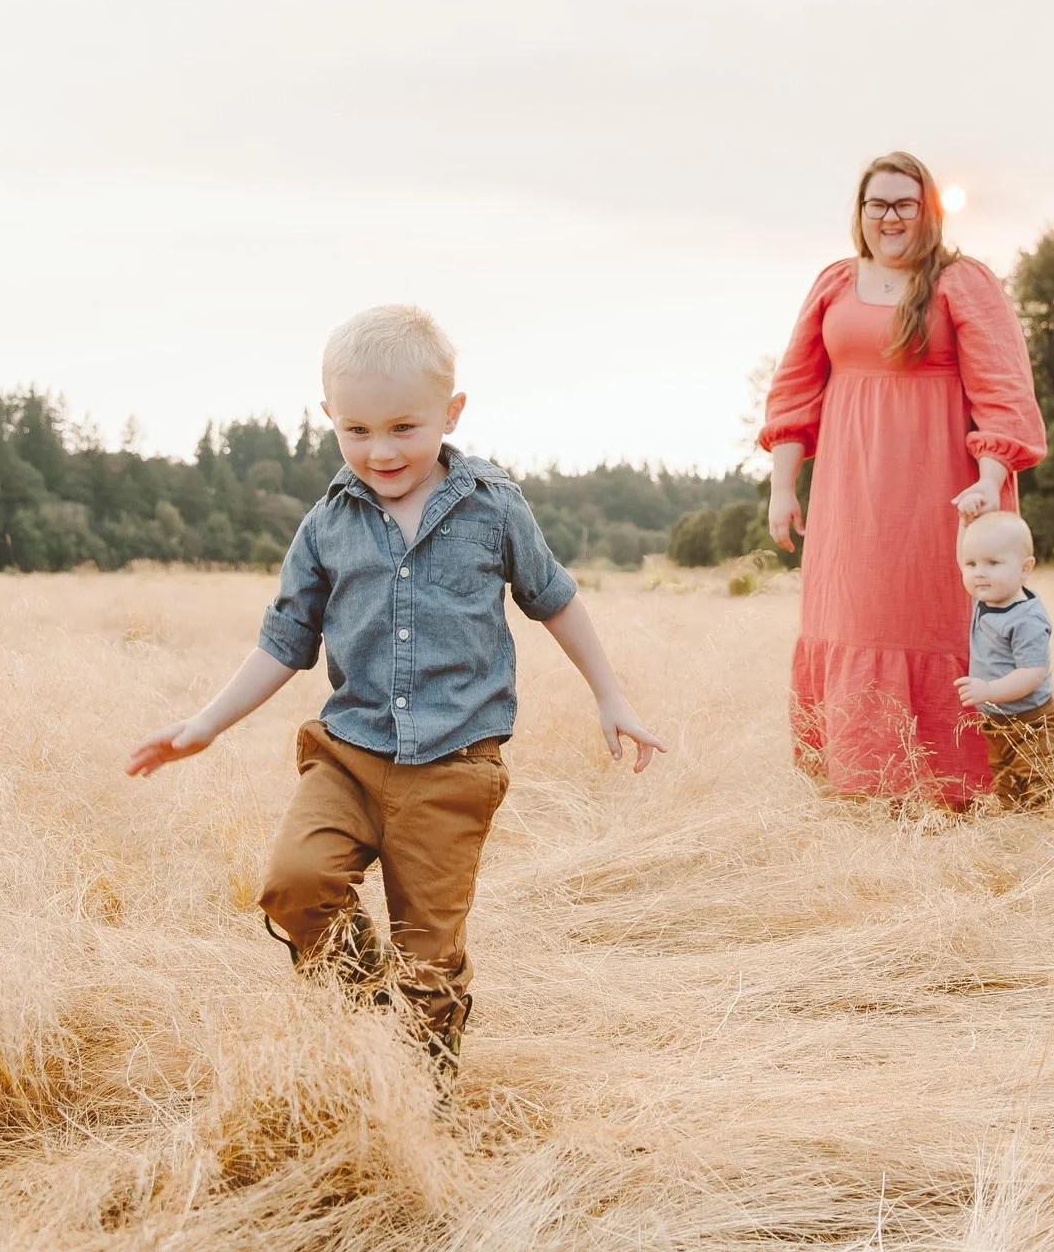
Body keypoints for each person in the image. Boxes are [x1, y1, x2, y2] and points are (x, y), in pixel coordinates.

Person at [126, 304, 666, 1069]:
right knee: (294, 885)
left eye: (404, 428)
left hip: (454, 768)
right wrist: (204, 725)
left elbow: (555, 600)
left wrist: (612, 696)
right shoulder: (325, 525)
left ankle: (422, 1089)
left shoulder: (493, 506)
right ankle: (365, 998)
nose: (379, 451)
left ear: (452, 412)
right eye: (357, 430)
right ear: (330, 419)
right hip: (348, 757)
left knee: (431, 955)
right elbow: (284, 644)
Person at [760, 152, 1046, 807]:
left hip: (944, 491)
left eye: (904, 204)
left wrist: (988, 482)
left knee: (938, 623)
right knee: (855, 620)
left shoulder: (961, 282)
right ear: (860, 214)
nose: (890, 218)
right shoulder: (834, 283)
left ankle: (955, 792)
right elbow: (794, 394)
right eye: (877, 205)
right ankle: (865, 787)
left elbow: (1004, 393)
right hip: (848, 495)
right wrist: (783, 487)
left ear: (928, 212)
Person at [954, 510, 1054, 810]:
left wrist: (989, 691)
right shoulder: (985, 595)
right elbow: (961, 557)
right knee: (1007, 787)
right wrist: (964, 524)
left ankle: (1045, 832)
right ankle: (1013, 830)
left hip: (1033, 721)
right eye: (972, 564)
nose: (979, 572)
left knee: (1038, 784)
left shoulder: (1026, 619)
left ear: (1025, 568)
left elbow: (1032, 673)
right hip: (998, 722)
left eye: (992, 563)